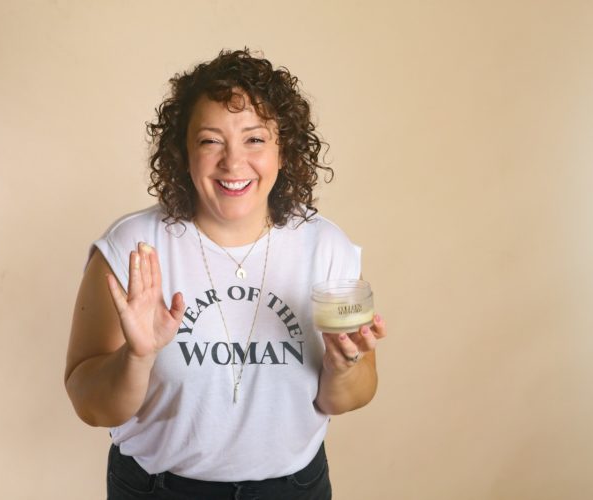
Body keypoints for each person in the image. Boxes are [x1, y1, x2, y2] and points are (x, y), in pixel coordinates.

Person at [64, 48, 387, 500]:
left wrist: (342, 367)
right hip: (159, 490)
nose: (233, 163)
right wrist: (135, 357)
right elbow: (90, 405)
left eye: (254, 139)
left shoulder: (325, 246)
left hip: (294, 489)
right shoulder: (133, 248)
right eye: (210, 140)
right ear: (183, 151)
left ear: (283, 148)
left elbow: (349, 397)